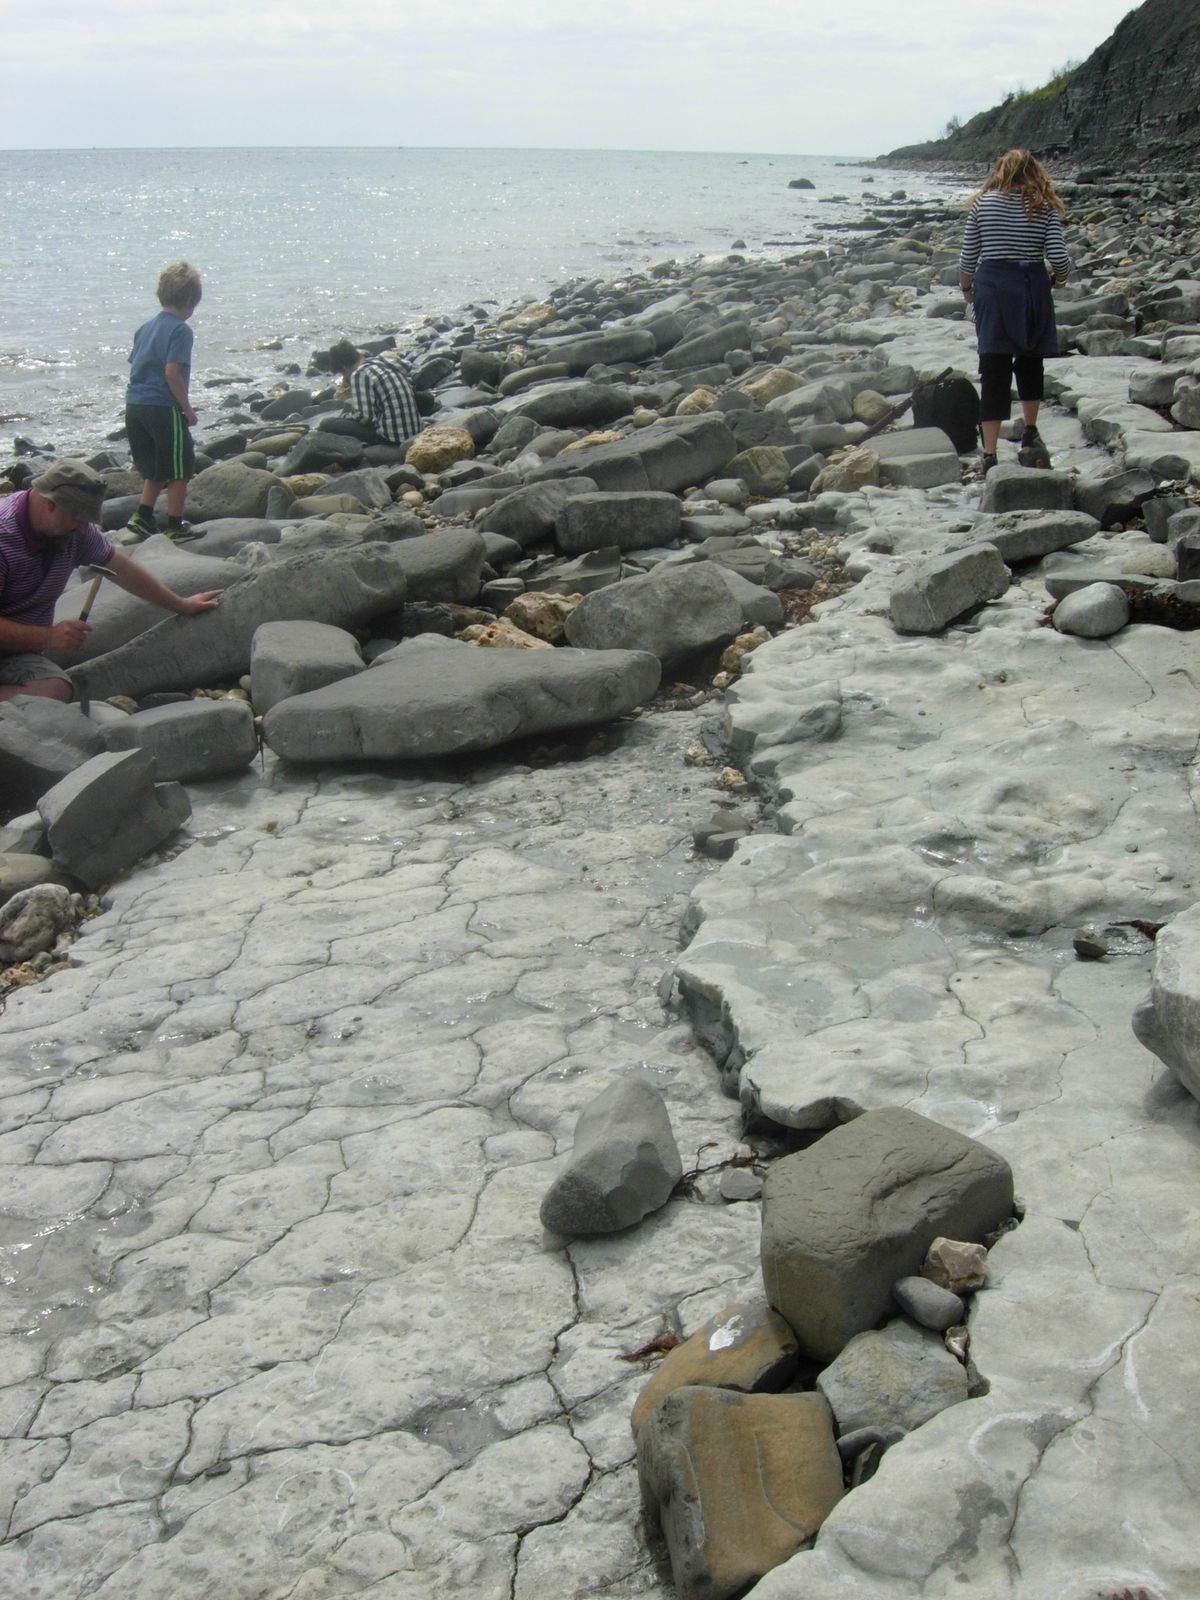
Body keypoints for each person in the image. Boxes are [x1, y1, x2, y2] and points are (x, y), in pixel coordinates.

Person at [0, 460, 221, 704]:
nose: (85, 527)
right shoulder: (4, 537)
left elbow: (123, 569)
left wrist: (182, 605)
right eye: (79, 517)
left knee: (55, 691)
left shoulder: (75, 531)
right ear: (50, 504)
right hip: (22, 640)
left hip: (16, 654)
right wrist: (48, 637)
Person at [958, 149, 1070, 474]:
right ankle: (1030, 435)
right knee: (1030, 361)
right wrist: (1059, 279)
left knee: (993, 368)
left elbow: (968, 257)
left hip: (992, 286)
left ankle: (990, 455)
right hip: (1030, 285)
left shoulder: (983, 203)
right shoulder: (1043, 204)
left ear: (1001, 172)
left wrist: (967, 289)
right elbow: (1059, 257)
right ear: (1034, 172)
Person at [125, 262, 203, 540]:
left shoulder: (144, 329)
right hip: (162, 406)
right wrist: (187, 409)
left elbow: (137, 366)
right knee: (181, 466)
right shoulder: (180, 330)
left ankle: (143, 516)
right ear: (190, 300)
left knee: (157, 465)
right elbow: (172, 373)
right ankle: (174, 524)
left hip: (135, 405)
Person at [322, 339, 421, 448]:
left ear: (343, 366)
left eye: (342, 374)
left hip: (391, 439)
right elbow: (406, 367)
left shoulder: (360, 374)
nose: (345, 377)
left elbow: (364, 418)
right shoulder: (381, 362)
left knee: (327, 424)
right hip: (415, 430)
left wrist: (345, 417)